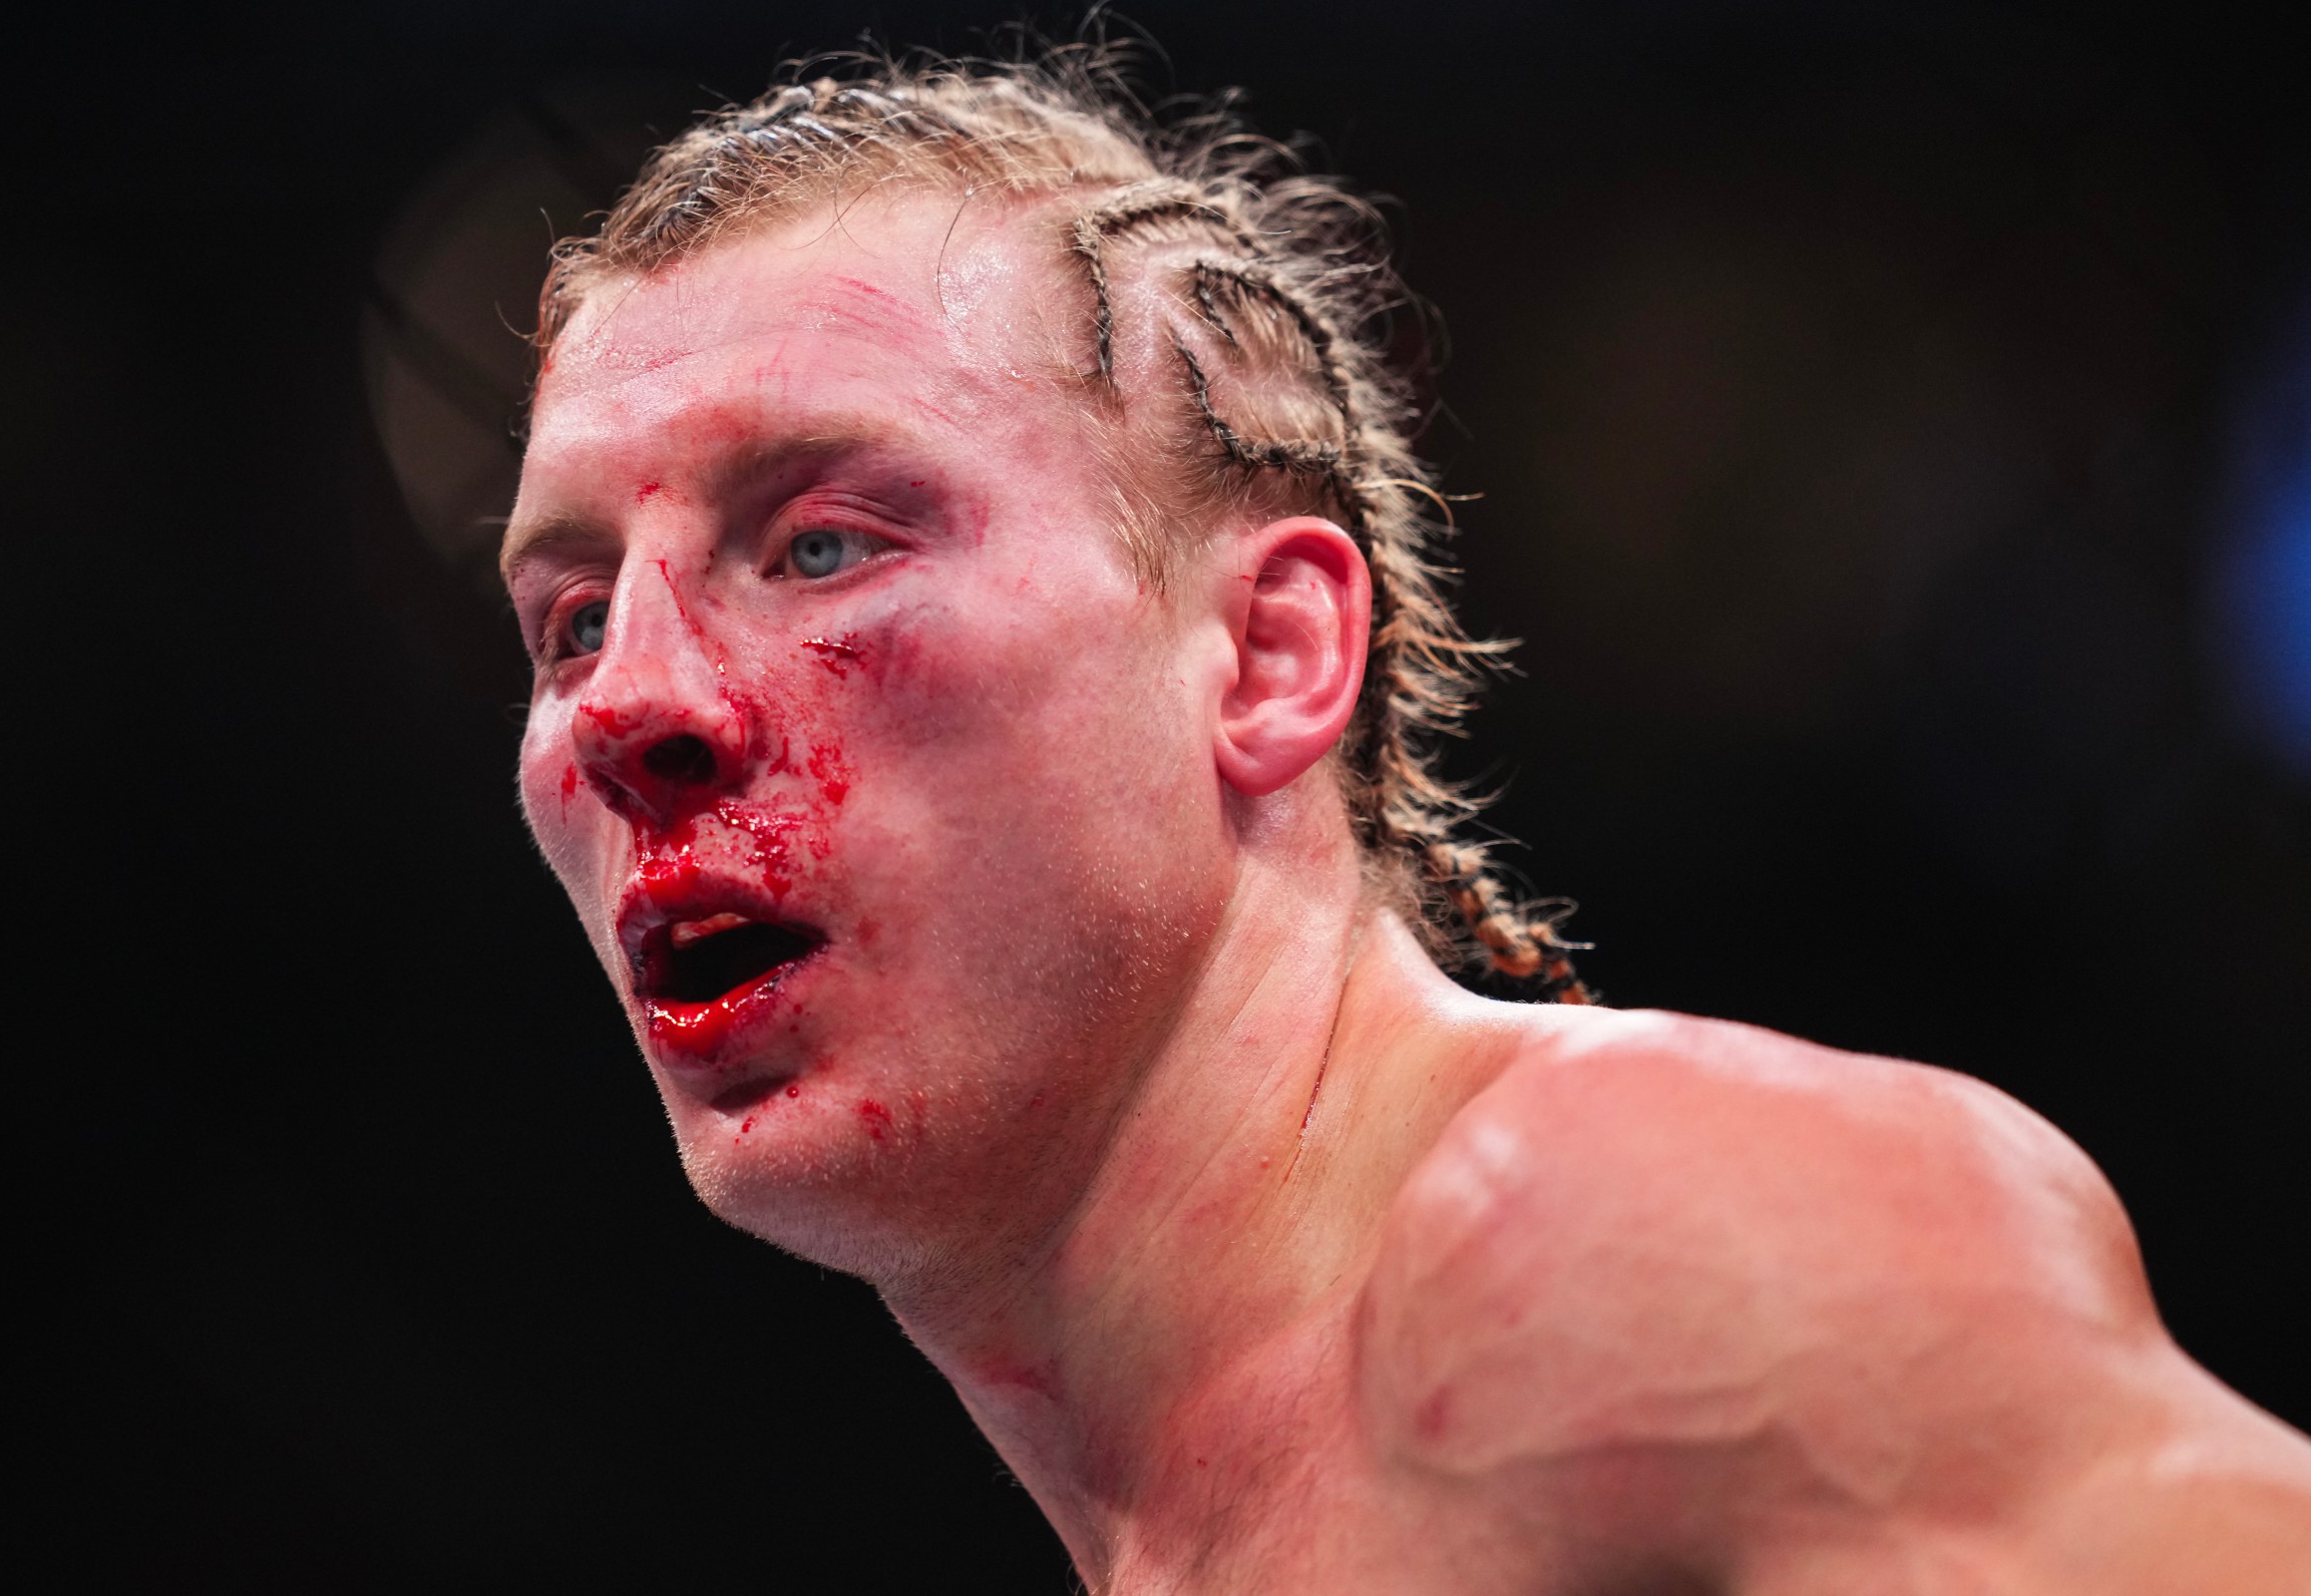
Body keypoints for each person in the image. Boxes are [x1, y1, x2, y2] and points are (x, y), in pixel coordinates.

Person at [497, 49, 2311, 1593]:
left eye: (825, 543)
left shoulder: (1631, 1232)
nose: (634, 705)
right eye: (573, 617)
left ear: (1270, 655)